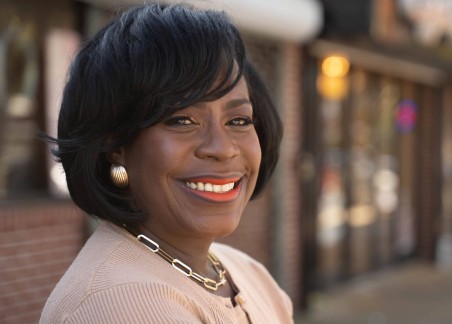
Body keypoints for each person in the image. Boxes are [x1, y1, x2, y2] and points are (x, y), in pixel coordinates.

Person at [40, 3, 291, 323]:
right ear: (115, 143)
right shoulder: (122, 302)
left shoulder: (245, 272)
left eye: (239, 120)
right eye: (182, 119)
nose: (222, 148)